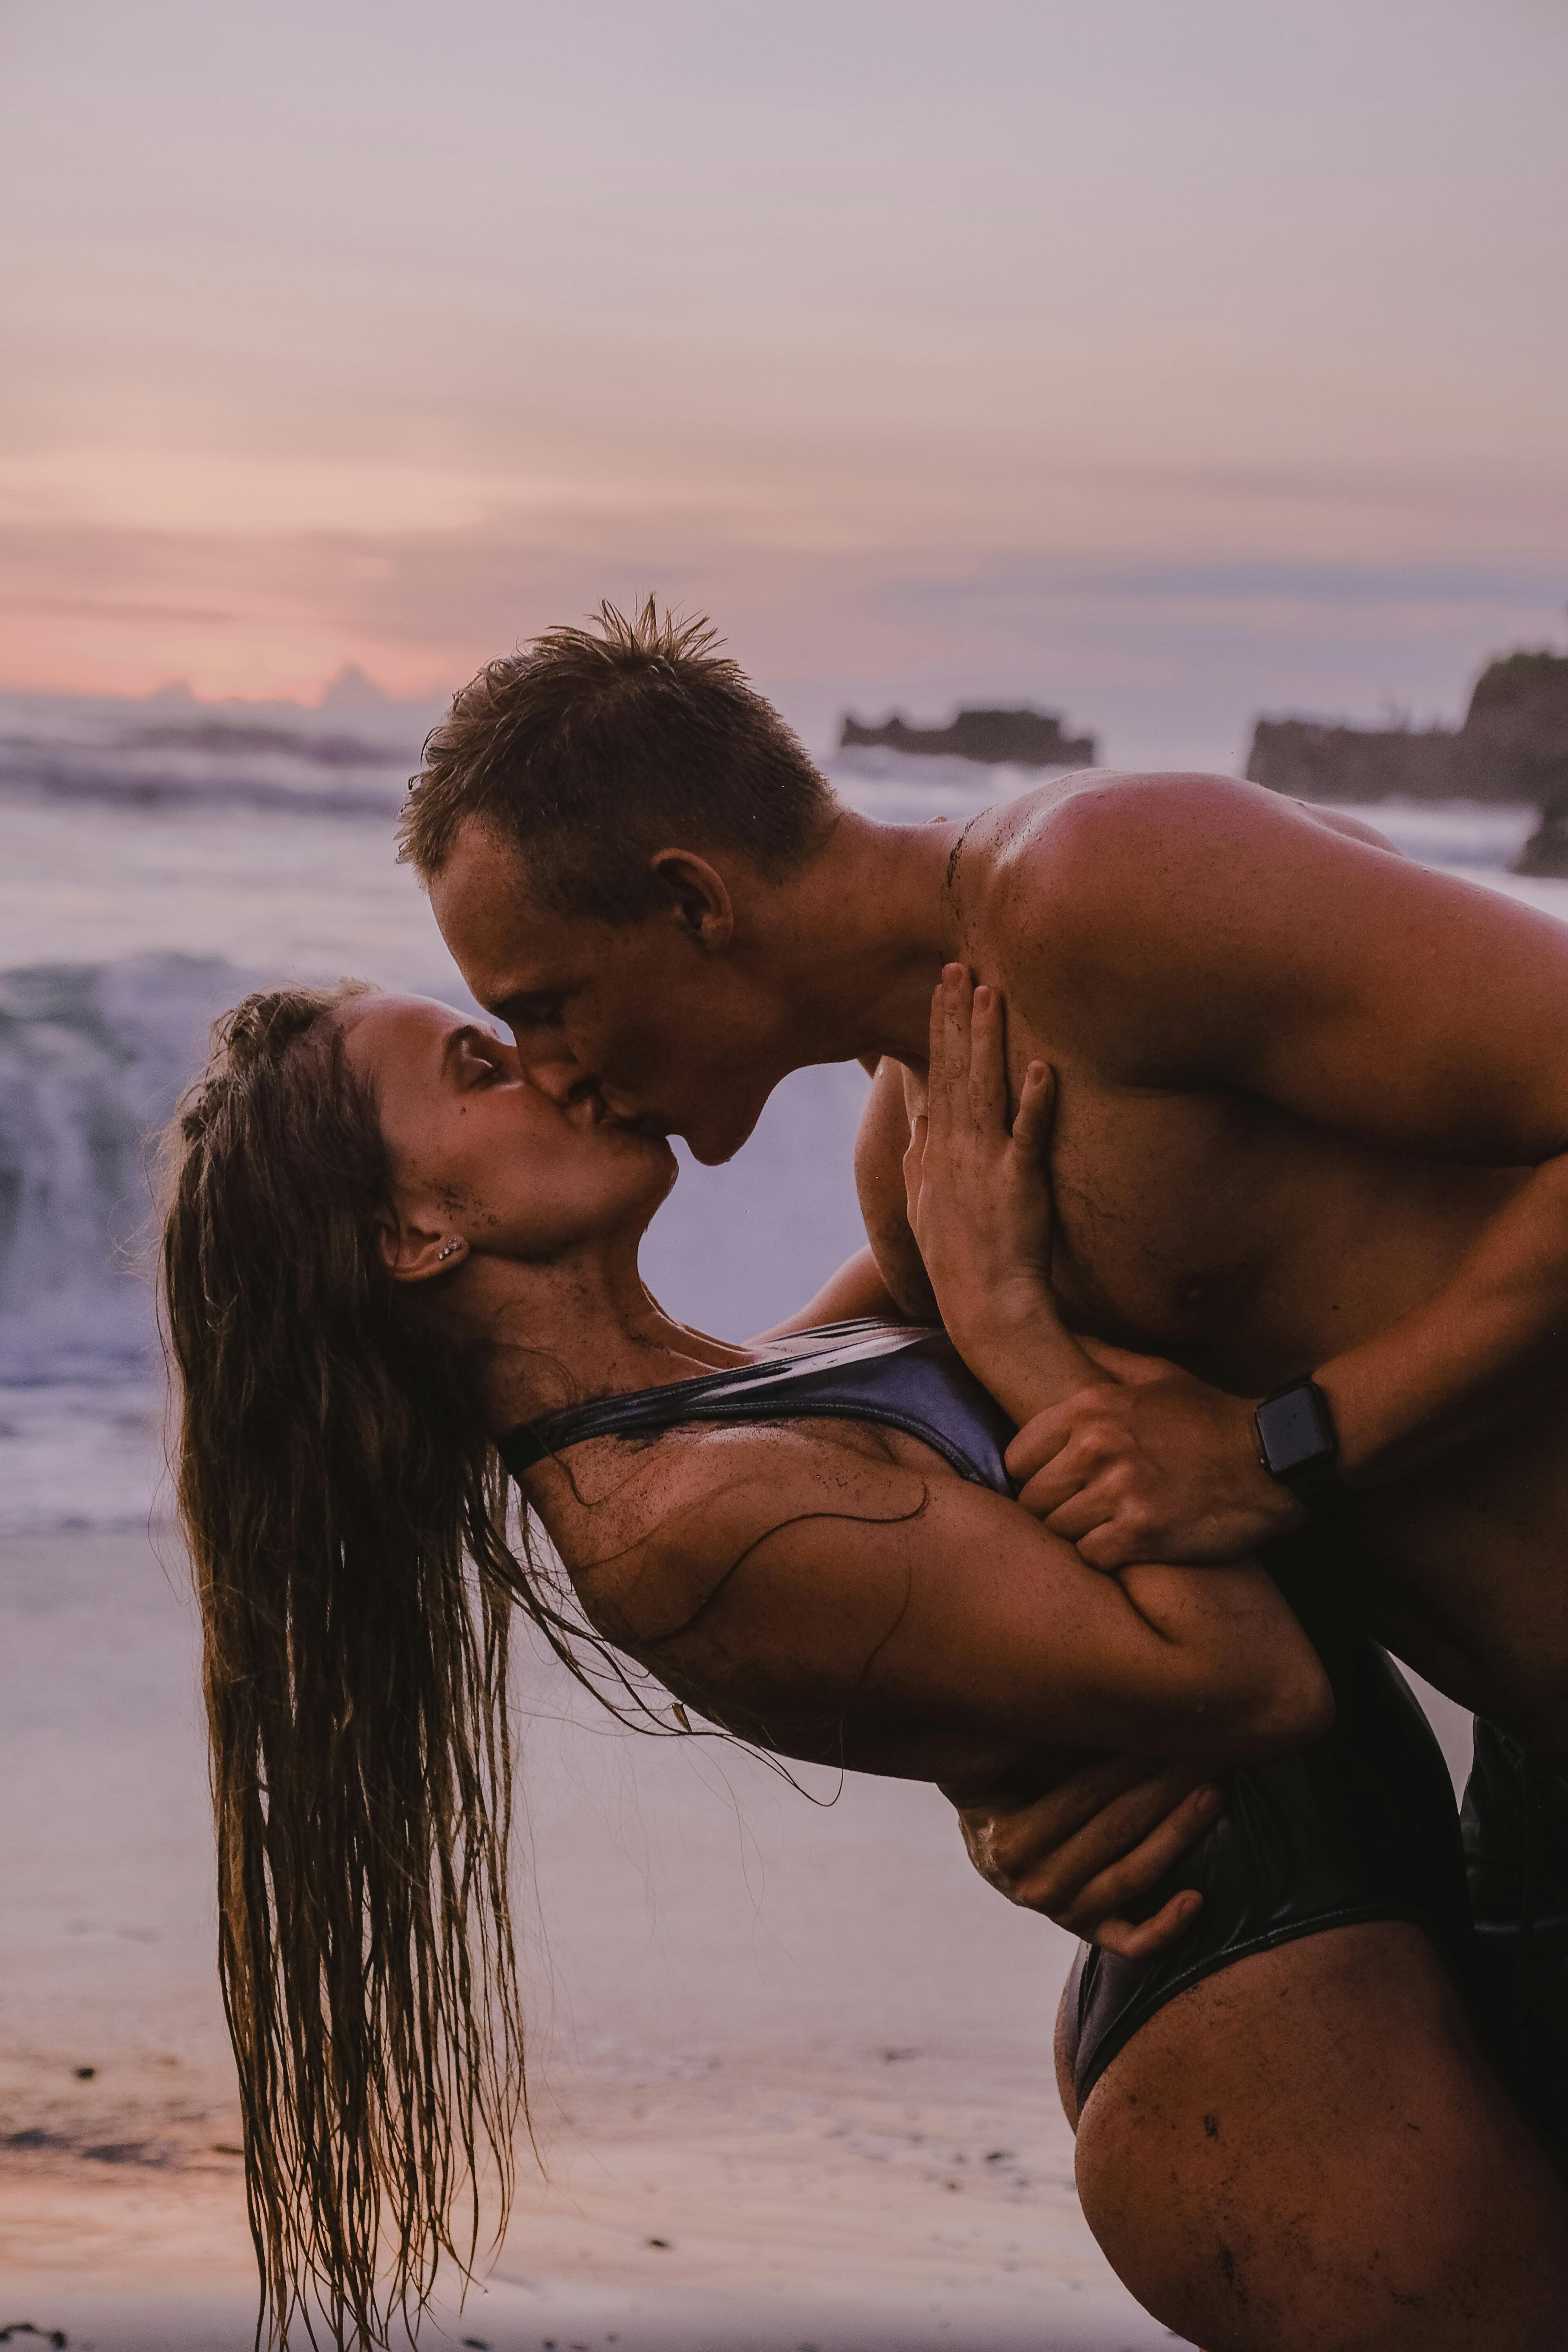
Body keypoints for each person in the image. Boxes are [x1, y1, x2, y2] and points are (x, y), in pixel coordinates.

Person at [160, 972, 1568, 2352]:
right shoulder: (679, 1524)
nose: (553, 1066)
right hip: (1265, 2045)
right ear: (414, 1233)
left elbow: (936, 1055)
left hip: (1338, 1949)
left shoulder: (732, 1396)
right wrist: (1012, 1323)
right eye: (480, 1066)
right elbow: (1255, 1679)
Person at [400, 599, 1568, 2165]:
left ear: (691, 899)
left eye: (542, 1006)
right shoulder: (929, 1163)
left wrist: (1278, 1446)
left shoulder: (1106, 888)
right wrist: (997, 1776)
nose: (550, 1072)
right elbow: (826, 1464)